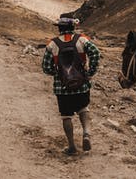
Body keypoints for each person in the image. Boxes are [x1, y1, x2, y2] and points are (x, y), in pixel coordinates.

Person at [41, 16, 100, 155]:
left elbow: (46, 67)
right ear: (73, 27)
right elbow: (96, 53)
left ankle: (72, 146)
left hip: (62, 86)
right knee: (83, 108)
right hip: (82, 84)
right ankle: (86, 133)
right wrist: (90, 72)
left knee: (66, 116)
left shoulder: (52, 44)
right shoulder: (82, 40)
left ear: (59, 28)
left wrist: (56, 73)